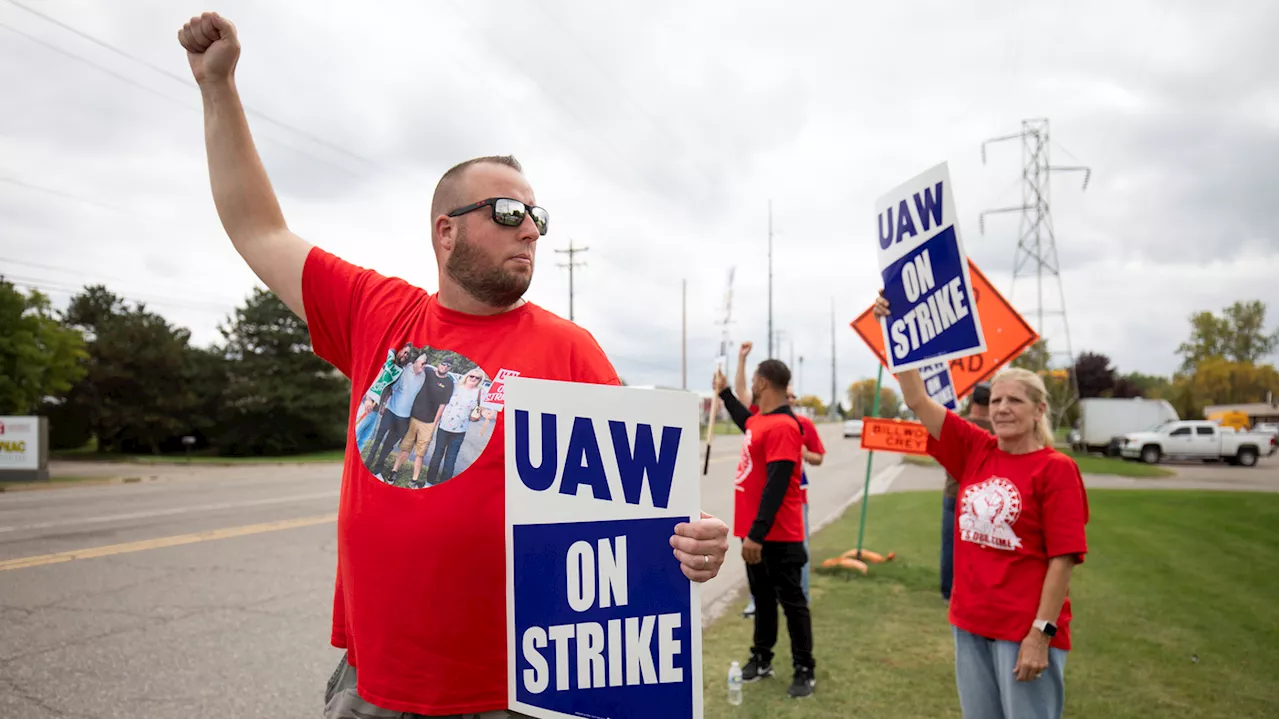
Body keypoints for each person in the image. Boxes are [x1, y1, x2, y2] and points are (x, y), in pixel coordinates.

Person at [178, 14, 731, 718]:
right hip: (373, 688)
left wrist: (695, 540)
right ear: (446, 230)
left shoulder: (571, 351)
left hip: (511, 697)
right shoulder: (376, 313)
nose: (530, 226)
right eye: (507, 211)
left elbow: (641, 509)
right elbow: (258, 230)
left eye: (538, 216)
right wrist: (219, 87)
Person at [873, 293, 1089, 719]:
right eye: (996, 402)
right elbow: (917, 399)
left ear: (1039, 410)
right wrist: (893, 330)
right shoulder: (975, 448)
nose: (1003, 409)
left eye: (1015, 401)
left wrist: (1040, 634)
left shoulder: (1055, 469)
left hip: (1023, 629)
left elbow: (1063, 560)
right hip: (970, 621)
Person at [714, 359, 816, 699]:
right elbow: (746, 422)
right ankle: (762, 657)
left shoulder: (785, 426)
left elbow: (777, 483)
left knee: (793, 603)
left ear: (761, 382)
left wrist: (757, 533)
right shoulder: (761, 420)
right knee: (762, 598)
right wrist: (725, 392)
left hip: (778, 535)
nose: (753, 384)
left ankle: (805, 668)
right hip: (754, 533)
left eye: (754, 379)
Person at [732, 341, 825, 614]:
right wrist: (739, 362)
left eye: (793, 397)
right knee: (763, 591)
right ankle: (763, 645)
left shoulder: (792, 425)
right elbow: (740, 400)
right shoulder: (761, 419)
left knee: (791, 583)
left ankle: (799, 603)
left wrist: (805, 453)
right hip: (763, 513)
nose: (790, 401)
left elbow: (785, 478)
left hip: (789, 506)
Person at [942, 381, 992, 602]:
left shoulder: (959, 426)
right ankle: (976, 591)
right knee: (983, 549)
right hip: (985, 497)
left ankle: (947, 591)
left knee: (950, 546)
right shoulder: (997, 431)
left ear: (972, 401)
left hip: (954, 493)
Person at [388, 359, 455, 487]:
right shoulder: (427, 372)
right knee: (405, 448)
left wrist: (434, 424)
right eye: (443, 363)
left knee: (420, 453)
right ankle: (393, 471)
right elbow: (413, 369)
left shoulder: (449, 384)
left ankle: (414, 480)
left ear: (450, 368)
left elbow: (442, 405)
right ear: (438, 364)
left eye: (448, 365)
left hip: (428, 423)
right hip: (413, 417)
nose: (445, 367)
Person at [426, 367, 486, 485]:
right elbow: (442, 401)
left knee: (451, 459)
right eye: (471, 376)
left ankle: (444, 485)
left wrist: (478, 416)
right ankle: (429, 482)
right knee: (437, 455)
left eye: (477, 378)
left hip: (460, 430)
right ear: (467, 376)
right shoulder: (455, 386)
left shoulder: (480, 392)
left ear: (480, 380)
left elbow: (480, 411)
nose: (473, 379)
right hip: (444, 426)